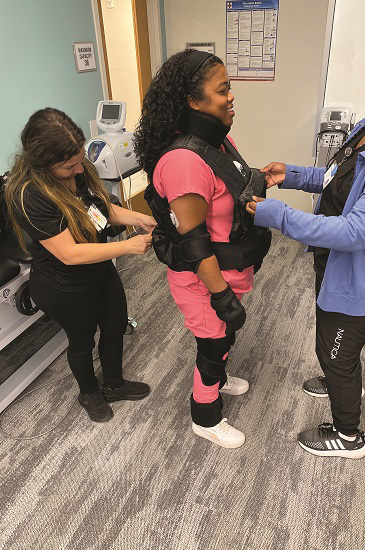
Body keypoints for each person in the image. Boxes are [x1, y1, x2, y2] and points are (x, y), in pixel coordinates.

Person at [246, 20, 365, 459]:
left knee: (338, 350)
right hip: (335, 262)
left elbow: (358, 231)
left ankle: (348, 435)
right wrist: (295, 175)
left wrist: (277, 215)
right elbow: (340, 180)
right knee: (331, 336)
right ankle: (335, 369)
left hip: (362, 276)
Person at [134, 49, 271, 448]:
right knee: (214, 343)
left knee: (224, 335)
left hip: (230, 269)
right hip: (204, 279)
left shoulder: (218, 141)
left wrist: (263, 179)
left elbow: (230, 187)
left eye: (230, 88)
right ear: (194, 101)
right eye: (223, 90)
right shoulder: (184, 162)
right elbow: (193, 245)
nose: (231, 97)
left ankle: (219, 378)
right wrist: (221, 294)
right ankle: (204, 415)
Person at [5, 108, 156, 422]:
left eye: (79, 159)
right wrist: (128, 246)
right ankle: (88, 392)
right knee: (82, 340)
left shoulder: (79, 169)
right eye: (68, 165)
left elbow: (101, 213)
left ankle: (113, 385)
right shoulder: (29, 195)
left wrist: (140, 218)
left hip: (98, 270)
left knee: (114, 326)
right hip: (64, 284)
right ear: (43, 164)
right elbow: (69, 253)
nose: (78, 169)